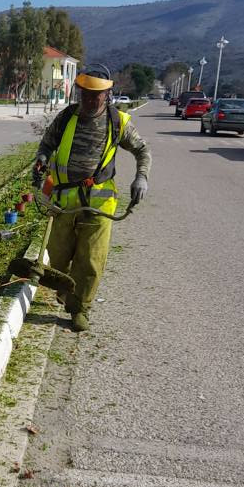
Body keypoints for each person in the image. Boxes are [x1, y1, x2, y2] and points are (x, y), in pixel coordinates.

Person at [33, 64, 151, 332]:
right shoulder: (66, 117)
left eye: (94, 96)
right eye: (83, 94)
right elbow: (46, 144)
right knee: (58, 256)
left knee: (91, 260)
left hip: (99, 203)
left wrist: (141, 177)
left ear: (106, 96)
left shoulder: (117, 122)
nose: (88, 101)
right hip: (63, 200)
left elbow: (143, 151)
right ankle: (67, 290)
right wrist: (41, 160)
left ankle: (80, 309)